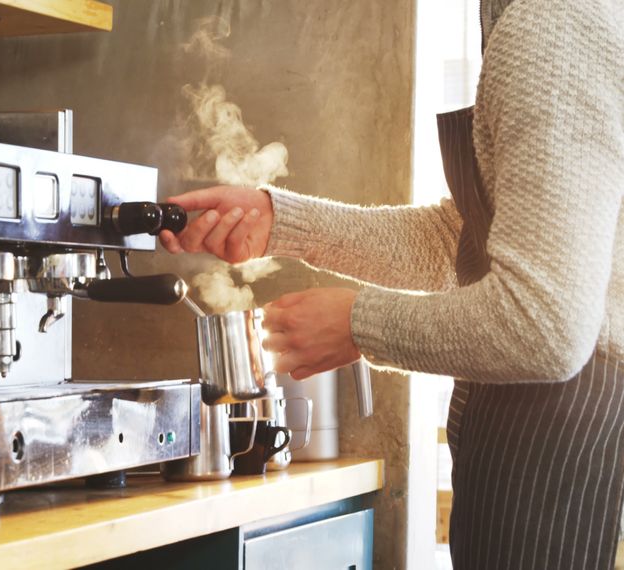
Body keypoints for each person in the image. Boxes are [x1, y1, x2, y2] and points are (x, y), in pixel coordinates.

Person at [159, 0, 624, 568]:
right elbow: (461, 237)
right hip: (542, 425)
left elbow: (545, 325)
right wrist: (278, 221)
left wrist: (358, 324)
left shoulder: (553, 22)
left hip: (568, 435)